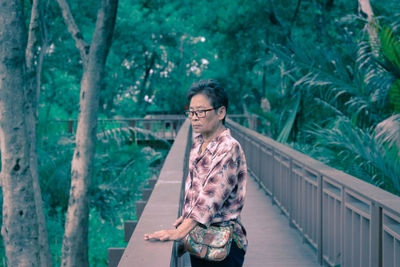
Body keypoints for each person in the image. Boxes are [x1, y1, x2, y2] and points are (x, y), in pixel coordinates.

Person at [144, 79, 248, 267]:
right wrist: (186, 217)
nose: (193, 117)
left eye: (200, 111)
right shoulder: (199, 143)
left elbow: (211, 197)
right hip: (199, 241)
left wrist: (178, 232)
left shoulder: (229, 148)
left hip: (222, 246)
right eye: (190, 111)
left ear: (221, 112)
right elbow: (195, 190)